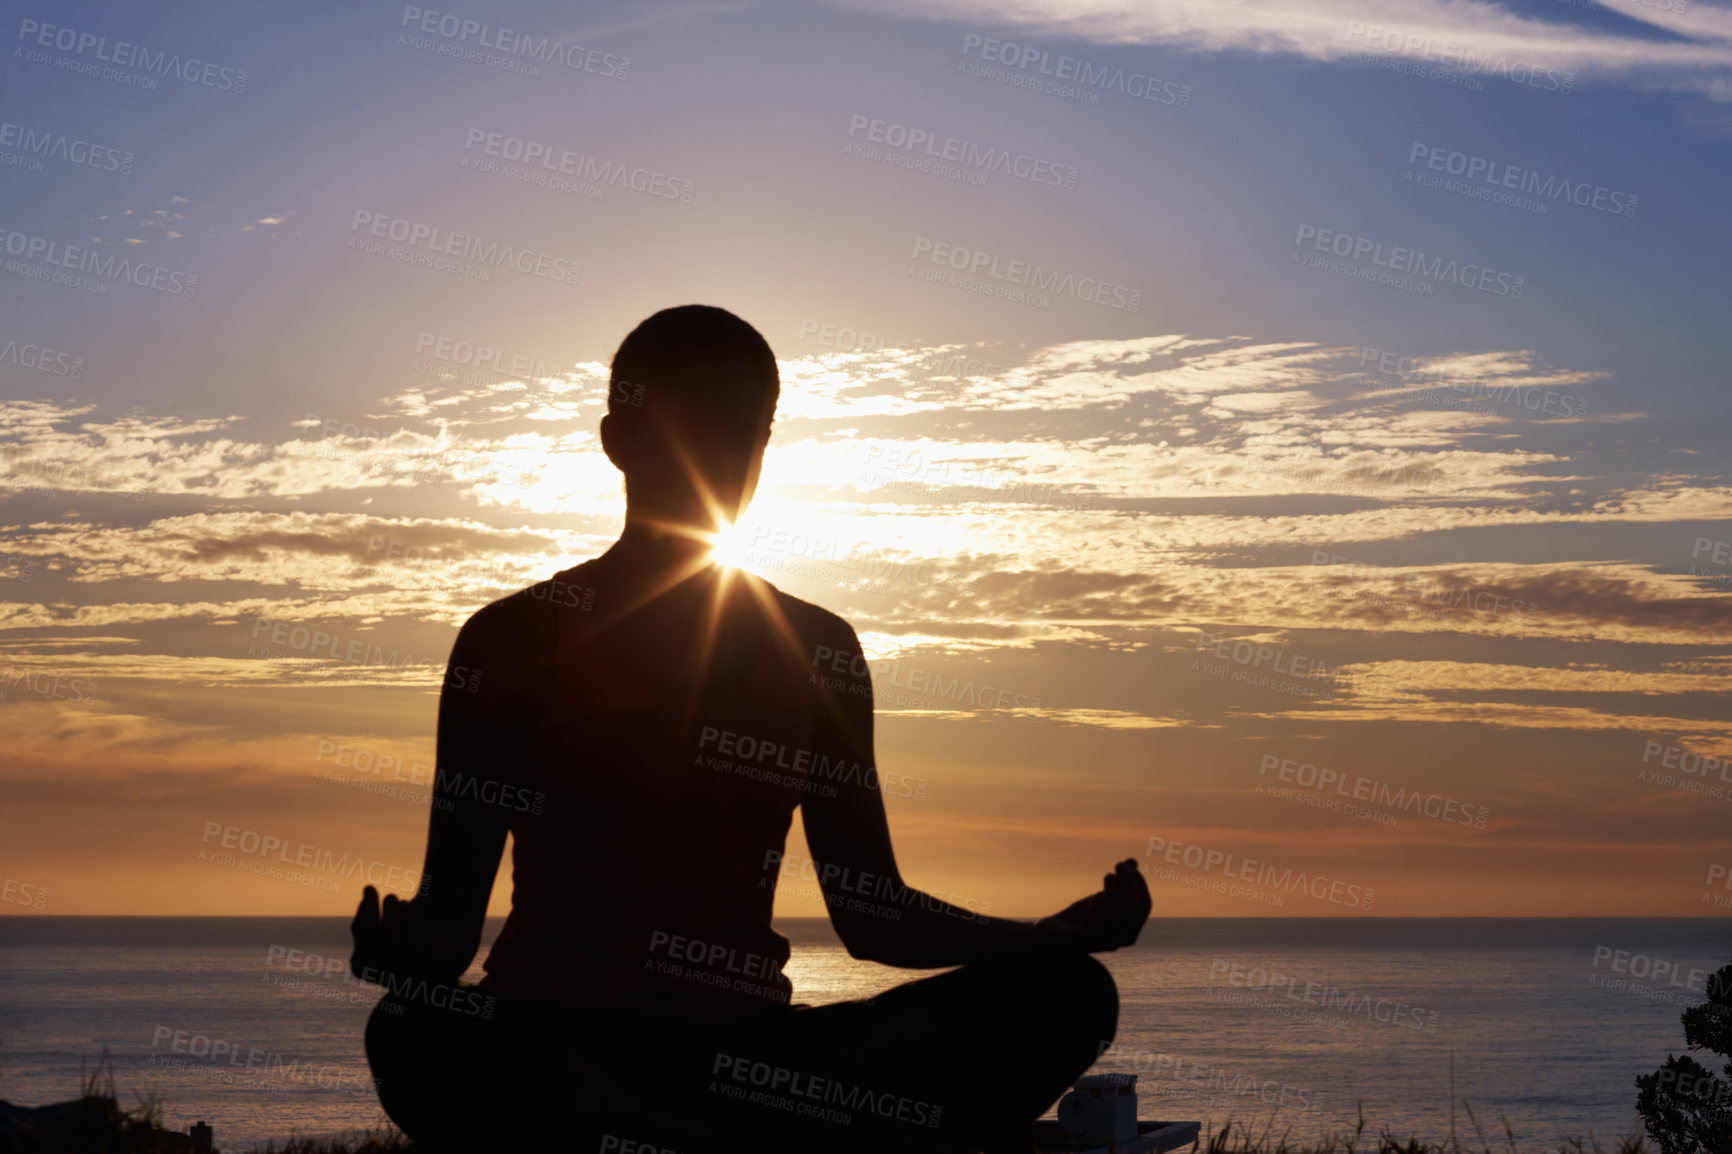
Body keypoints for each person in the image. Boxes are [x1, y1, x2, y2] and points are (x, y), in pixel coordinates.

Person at [350, 305, 1151, 1153]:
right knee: (411, 1030)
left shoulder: (818, 649)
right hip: (556, 1037)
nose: (724, 460)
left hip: (748, 1057)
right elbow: (448, 919)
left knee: (1071, 998)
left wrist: (1048, 940)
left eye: (748, 433)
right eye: (692, 428)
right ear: (618, 439)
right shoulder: (511, 642)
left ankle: (690, 1137)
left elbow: (872, 914)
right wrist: (412, 960)